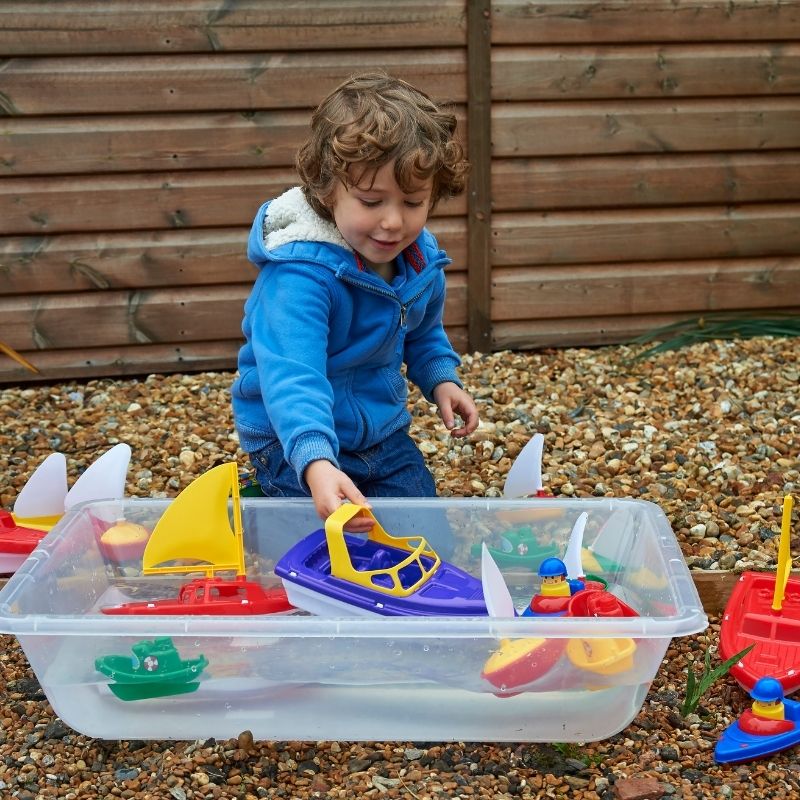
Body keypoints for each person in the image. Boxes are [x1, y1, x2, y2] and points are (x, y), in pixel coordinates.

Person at [231, 72, 479, 530]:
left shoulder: (419, 261)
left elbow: (423, 332)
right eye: (371, 201)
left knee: (425, 536)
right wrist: (315, 462)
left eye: (412, 202)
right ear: (327, 191)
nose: (392, 222)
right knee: (320, 550)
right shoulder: (299, 279)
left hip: (380, 434)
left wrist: (441, 379)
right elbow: (292, 376)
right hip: (291, 437)